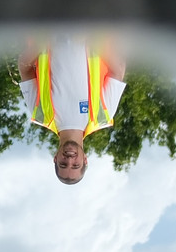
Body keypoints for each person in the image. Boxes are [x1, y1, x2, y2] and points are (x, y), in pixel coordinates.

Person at [18, 36, 127, 184]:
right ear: (85, 160)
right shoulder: (101, 117)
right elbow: (118, 69)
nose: (69, 159)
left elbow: (25, 69)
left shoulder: (40, 114)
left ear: (55, 158)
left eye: (63, 164)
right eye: (76, 165)